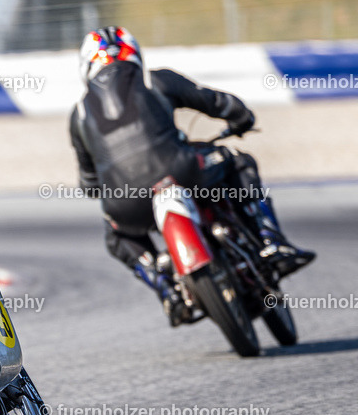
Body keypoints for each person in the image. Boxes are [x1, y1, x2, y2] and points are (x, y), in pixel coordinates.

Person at [69, 26, 315, 325]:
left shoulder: (79, 114)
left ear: (86, 66)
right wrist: (241, 117)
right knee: (239, 162)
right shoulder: (154, 78)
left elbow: (89, 183)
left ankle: (166, 288)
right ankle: (270, 240)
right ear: (134, 54)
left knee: (116, 234)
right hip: (183, 172)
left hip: (126, 203)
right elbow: (214, 101)